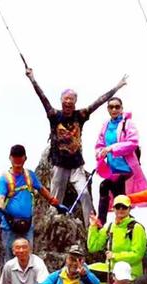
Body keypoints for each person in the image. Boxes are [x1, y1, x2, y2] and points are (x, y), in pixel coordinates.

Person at [25, 67, 127, 227]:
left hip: (76, 166)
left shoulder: (80, 115)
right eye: (66, 99)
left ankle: (91, 228)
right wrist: (32, 78)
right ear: (61, 100)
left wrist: (117, 87)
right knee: (54, 199)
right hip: (59, 165)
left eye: (71, 99)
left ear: (75, 102)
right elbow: (42, 97)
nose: (68, 102)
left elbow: (99, 102)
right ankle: (51, 226)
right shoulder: (54, 115)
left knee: (85, 194)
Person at [0, 144, 67, 265]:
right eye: (15, 157)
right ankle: (8, 283)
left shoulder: (29, 175)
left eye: (20, 157)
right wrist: (5, 215)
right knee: (9, 259)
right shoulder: (5, 178)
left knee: (28, 258)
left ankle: (28, 283)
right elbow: (0, 200)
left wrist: (56, 204)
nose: (17, 161)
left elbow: (42, 190)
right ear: (10, 158)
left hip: (27, 225)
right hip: (10, 226)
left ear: (25, 158)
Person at [95, 97, 147, 225]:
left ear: (121, 108)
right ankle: (101, 223)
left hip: (127, 170)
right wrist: (99, 153)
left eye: (117, 107)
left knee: (120, 199)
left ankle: (125, 226)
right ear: (108, 109)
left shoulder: (128, 124)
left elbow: (133, 143)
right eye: (111, 107)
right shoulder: (106, 125)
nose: (114, 109)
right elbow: (100, 144)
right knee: (110, 192)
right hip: (113, 171)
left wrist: (111, 148)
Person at [88, 195, 147, 280]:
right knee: (86, 272)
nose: (121, 209)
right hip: (111, 272)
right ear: (113, 208)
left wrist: (115, 256)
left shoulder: (137, 228)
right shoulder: (109, 226)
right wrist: (93, 227)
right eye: (118, 207)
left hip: (130, 274)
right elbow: (93, 247)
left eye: (124, 207)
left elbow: (137, 255)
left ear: (129, 209)